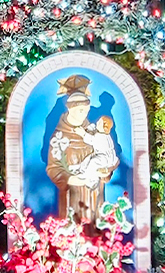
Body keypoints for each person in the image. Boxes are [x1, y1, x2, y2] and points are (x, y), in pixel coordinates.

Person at [45, 75, 119, 224]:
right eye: (80, 111)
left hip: (94, 195)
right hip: (73, 196)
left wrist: (105, 172)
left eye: (86, 111)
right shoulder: (60, 136)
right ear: (70, 109)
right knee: (74, 230)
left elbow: (107, 156)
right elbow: (53, 168)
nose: (84, 114)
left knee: (95, 233)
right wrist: (72, 179)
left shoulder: (94, 133)